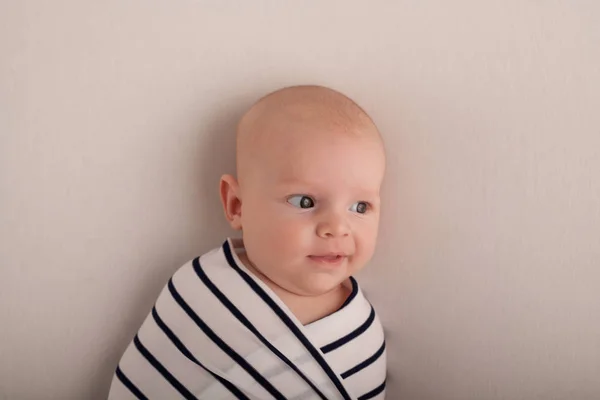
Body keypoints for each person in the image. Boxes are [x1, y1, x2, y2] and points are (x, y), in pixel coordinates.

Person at [108, 85, 387, 400]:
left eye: (360, 207)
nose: (337, 228)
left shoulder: (362, 332)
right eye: (305, 201)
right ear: (237, 206)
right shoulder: (201, 290)